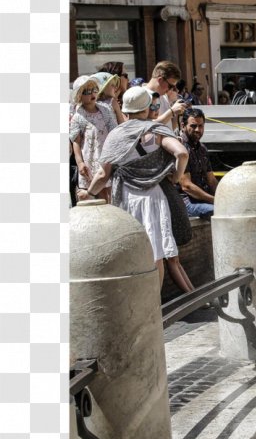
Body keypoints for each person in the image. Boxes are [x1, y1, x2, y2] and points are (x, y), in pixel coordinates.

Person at [84, 86, 195, 294]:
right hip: (155, 197)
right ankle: (154, 304)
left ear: (126, 109)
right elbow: (182, 154)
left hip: (127, 197)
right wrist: (174, 177)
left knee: (134, 253)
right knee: (157, 253)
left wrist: (88, 194)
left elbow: (102, 174)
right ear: (147, 107)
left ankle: (138, 303)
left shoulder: (116, 135)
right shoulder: (156, 129)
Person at [70, 75, 118, 203]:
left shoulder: (105, 109)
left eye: (95, 90)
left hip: (107, 154)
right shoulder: (78, 116)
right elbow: (76, 141)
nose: (93, 94)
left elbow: (114, 130)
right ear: (79, 95)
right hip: (91, 158)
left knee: (112, 190)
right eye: (87, 92)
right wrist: (80, 162)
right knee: (100, 192)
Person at [177, 108, 218, 218]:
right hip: (186, 203)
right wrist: (215, 200)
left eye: (201, 126)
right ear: (183, 125)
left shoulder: (202, 148)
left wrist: (224, 197)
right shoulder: (179, 148)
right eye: (193, 126)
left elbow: (212, 180)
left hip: (203, 200)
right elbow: (186, 186)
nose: (197, 130)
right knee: (220, 211)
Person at [144, 60, 189, 130]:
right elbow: (148, 126)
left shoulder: (163, 96)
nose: (172, 89)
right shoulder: (142, 95)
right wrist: (172, 111)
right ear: (160, 80)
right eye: (171, 86)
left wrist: (176, 113)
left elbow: (170, 127)